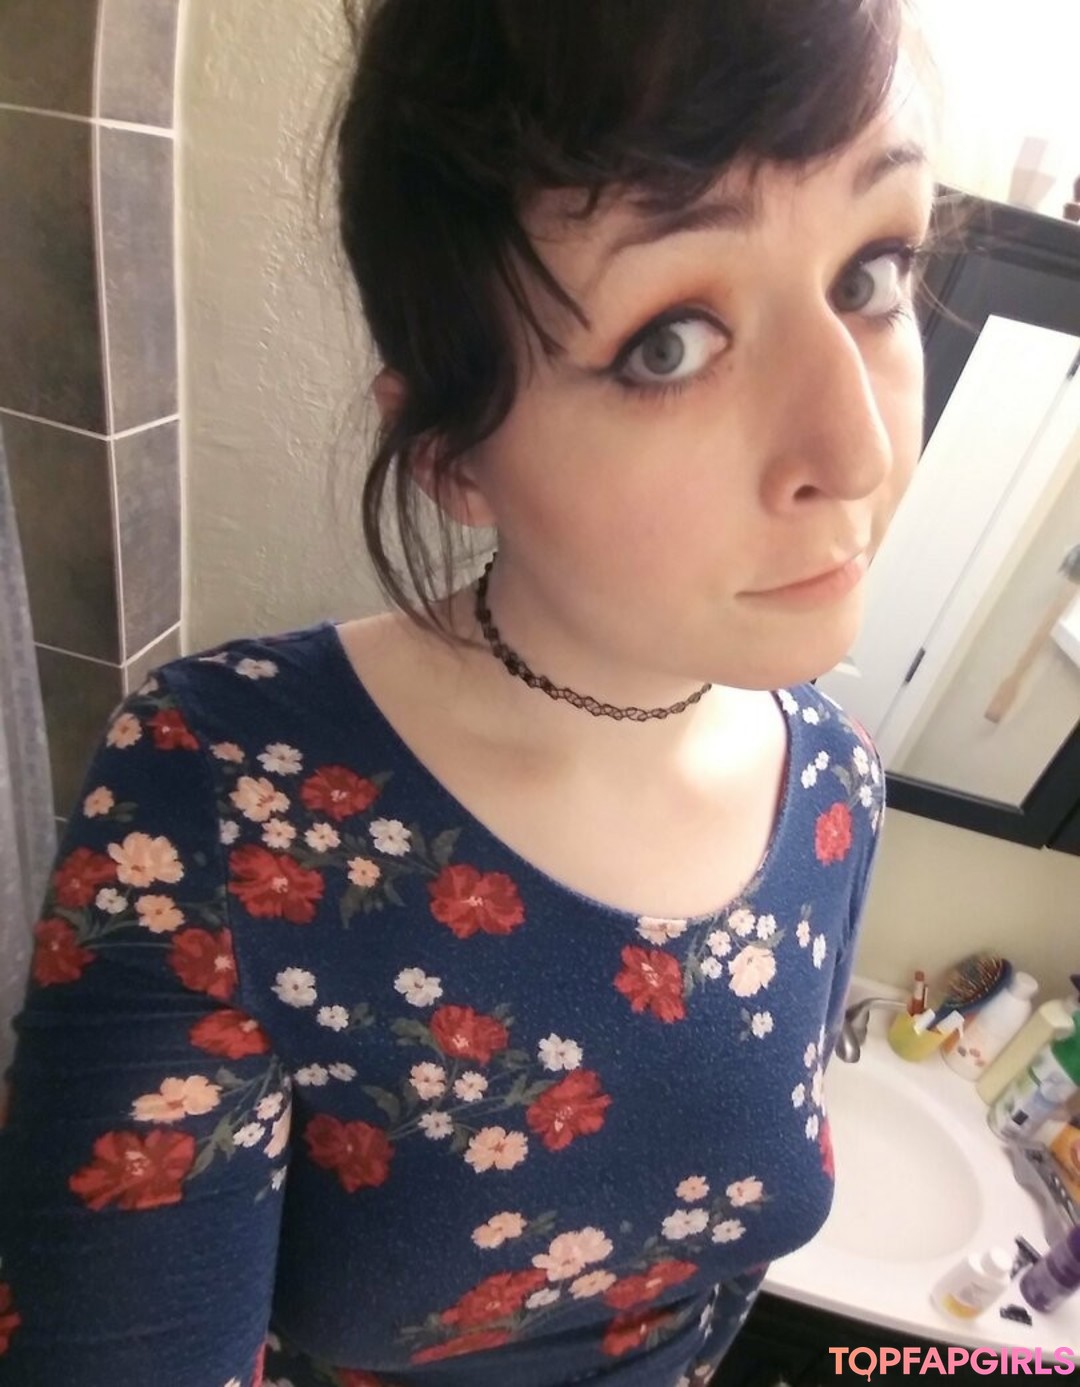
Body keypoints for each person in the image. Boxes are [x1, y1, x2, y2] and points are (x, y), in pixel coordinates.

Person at [0, 1, 941, 1383]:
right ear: (453, 455)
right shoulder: (223, 793)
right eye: (671, 341)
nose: (855, 452)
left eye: (871, 272)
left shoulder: (838, 788)